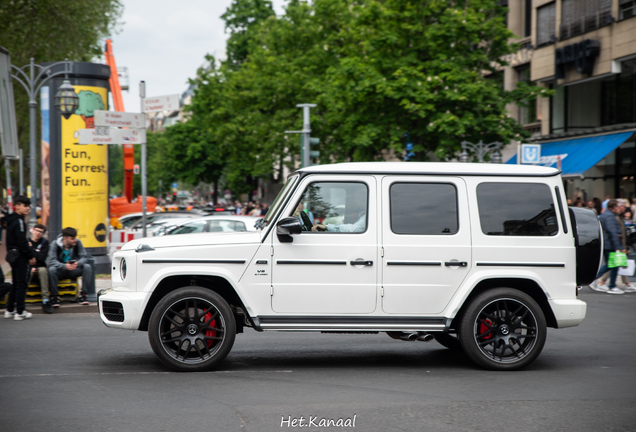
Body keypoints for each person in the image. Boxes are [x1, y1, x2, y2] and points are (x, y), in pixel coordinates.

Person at [4, 196, 35, 320]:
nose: (28, 208)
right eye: (25, 205)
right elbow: (22, 241)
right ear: (17, 206)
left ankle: (10, 310)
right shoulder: (19, 221)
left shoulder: (11, 220)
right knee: (21, 283)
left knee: (15, 284)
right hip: (20, 256)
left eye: (28, 206)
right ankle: (20, 311)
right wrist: (30, 254)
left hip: (12, 255)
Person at [47, 227, 92, 306]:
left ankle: (83, 295)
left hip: (73, 269)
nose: (75, 240)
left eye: (75, 238)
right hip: (61, 270)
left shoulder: (78, 243)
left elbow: (84, 257)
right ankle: (54, 296)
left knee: (87, 267)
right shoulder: (55, 244)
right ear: (65, 238)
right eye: (72, 239)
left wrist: (77, 263)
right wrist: (65, 266)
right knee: (52, 269)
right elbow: (52, 261)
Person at [590, 200, 627, 294]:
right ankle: (610, 285)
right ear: (614, 207)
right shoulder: (610, 216)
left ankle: (609, 284)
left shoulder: (604, 214)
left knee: (611, 265)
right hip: (611, 244)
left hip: (607, 244)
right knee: (612, 265)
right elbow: (613, 232)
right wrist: (618, 246)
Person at [29, 223, 52, 313]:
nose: (38, 233)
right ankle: (20, 300)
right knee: (27, 271)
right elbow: (25, 258)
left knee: (43, 271)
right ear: (33, 230)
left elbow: (42, 258)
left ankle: (45, 300)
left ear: (43, 234)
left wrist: (31, 250)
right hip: (29, 268)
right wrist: (31, 266)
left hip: (40, 267)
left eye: (41, 232)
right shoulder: (26, 241)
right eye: (37, 231)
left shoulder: (44, 243)